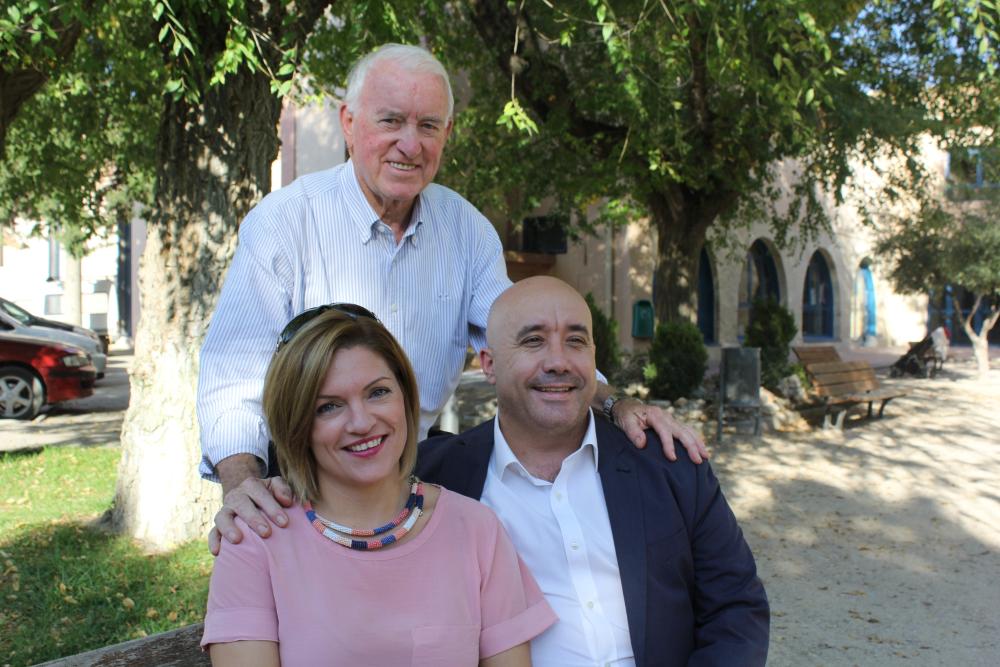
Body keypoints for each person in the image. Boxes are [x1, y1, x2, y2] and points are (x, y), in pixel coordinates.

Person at [200, 42, 708, 552]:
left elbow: (523, 343)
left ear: (447, 133)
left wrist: (617, 403)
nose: (410, 144)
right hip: (302, 491)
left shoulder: (466, 230)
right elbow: (233, 377)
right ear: (348, 123)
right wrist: (244, 485)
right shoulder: (285, 223)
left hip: (413, 485)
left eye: (428, 126)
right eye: (391, 121)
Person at [415, 277, 770, 665]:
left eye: (576, 341)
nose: (559, 362)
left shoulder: (668, 463)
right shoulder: (436, 479)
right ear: (489, 364)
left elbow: (736, 607)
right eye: (533, 341)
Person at [201, 306, 556, 666]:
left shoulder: (477, 530)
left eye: (378, 392)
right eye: (329, 407)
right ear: (297, 425)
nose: (361, 422)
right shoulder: (255, 539)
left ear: (405, 396)